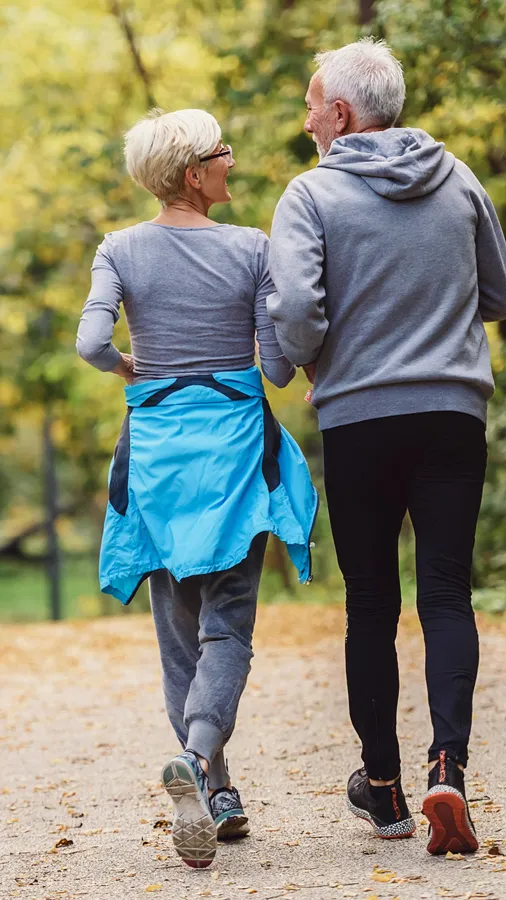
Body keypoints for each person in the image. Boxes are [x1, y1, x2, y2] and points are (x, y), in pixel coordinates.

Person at [267, 38, 506, 854]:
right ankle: (450, 765)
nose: (307, 122)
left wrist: (320, 360)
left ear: (341, 113)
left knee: (371, 602)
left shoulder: (310, 195)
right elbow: (501, 294)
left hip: (360, 420)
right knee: (446, 594)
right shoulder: (461, 178)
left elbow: (298, 313)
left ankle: (384, 789)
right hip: (453, 412)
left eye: (311, 107)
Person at [76, 109, 318, 869]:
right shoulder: (251, 248)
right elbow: (278, 369)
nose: (231, 160)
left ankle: (213, 786)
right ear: (193, 173)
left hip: (154, 457)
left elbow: (89, 343)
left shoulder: (118, 249)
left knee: (178, 631)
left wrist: (129, 368)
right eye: (221, 152)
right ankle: (202, 754)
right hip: (234, 454)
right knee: (229, 625)